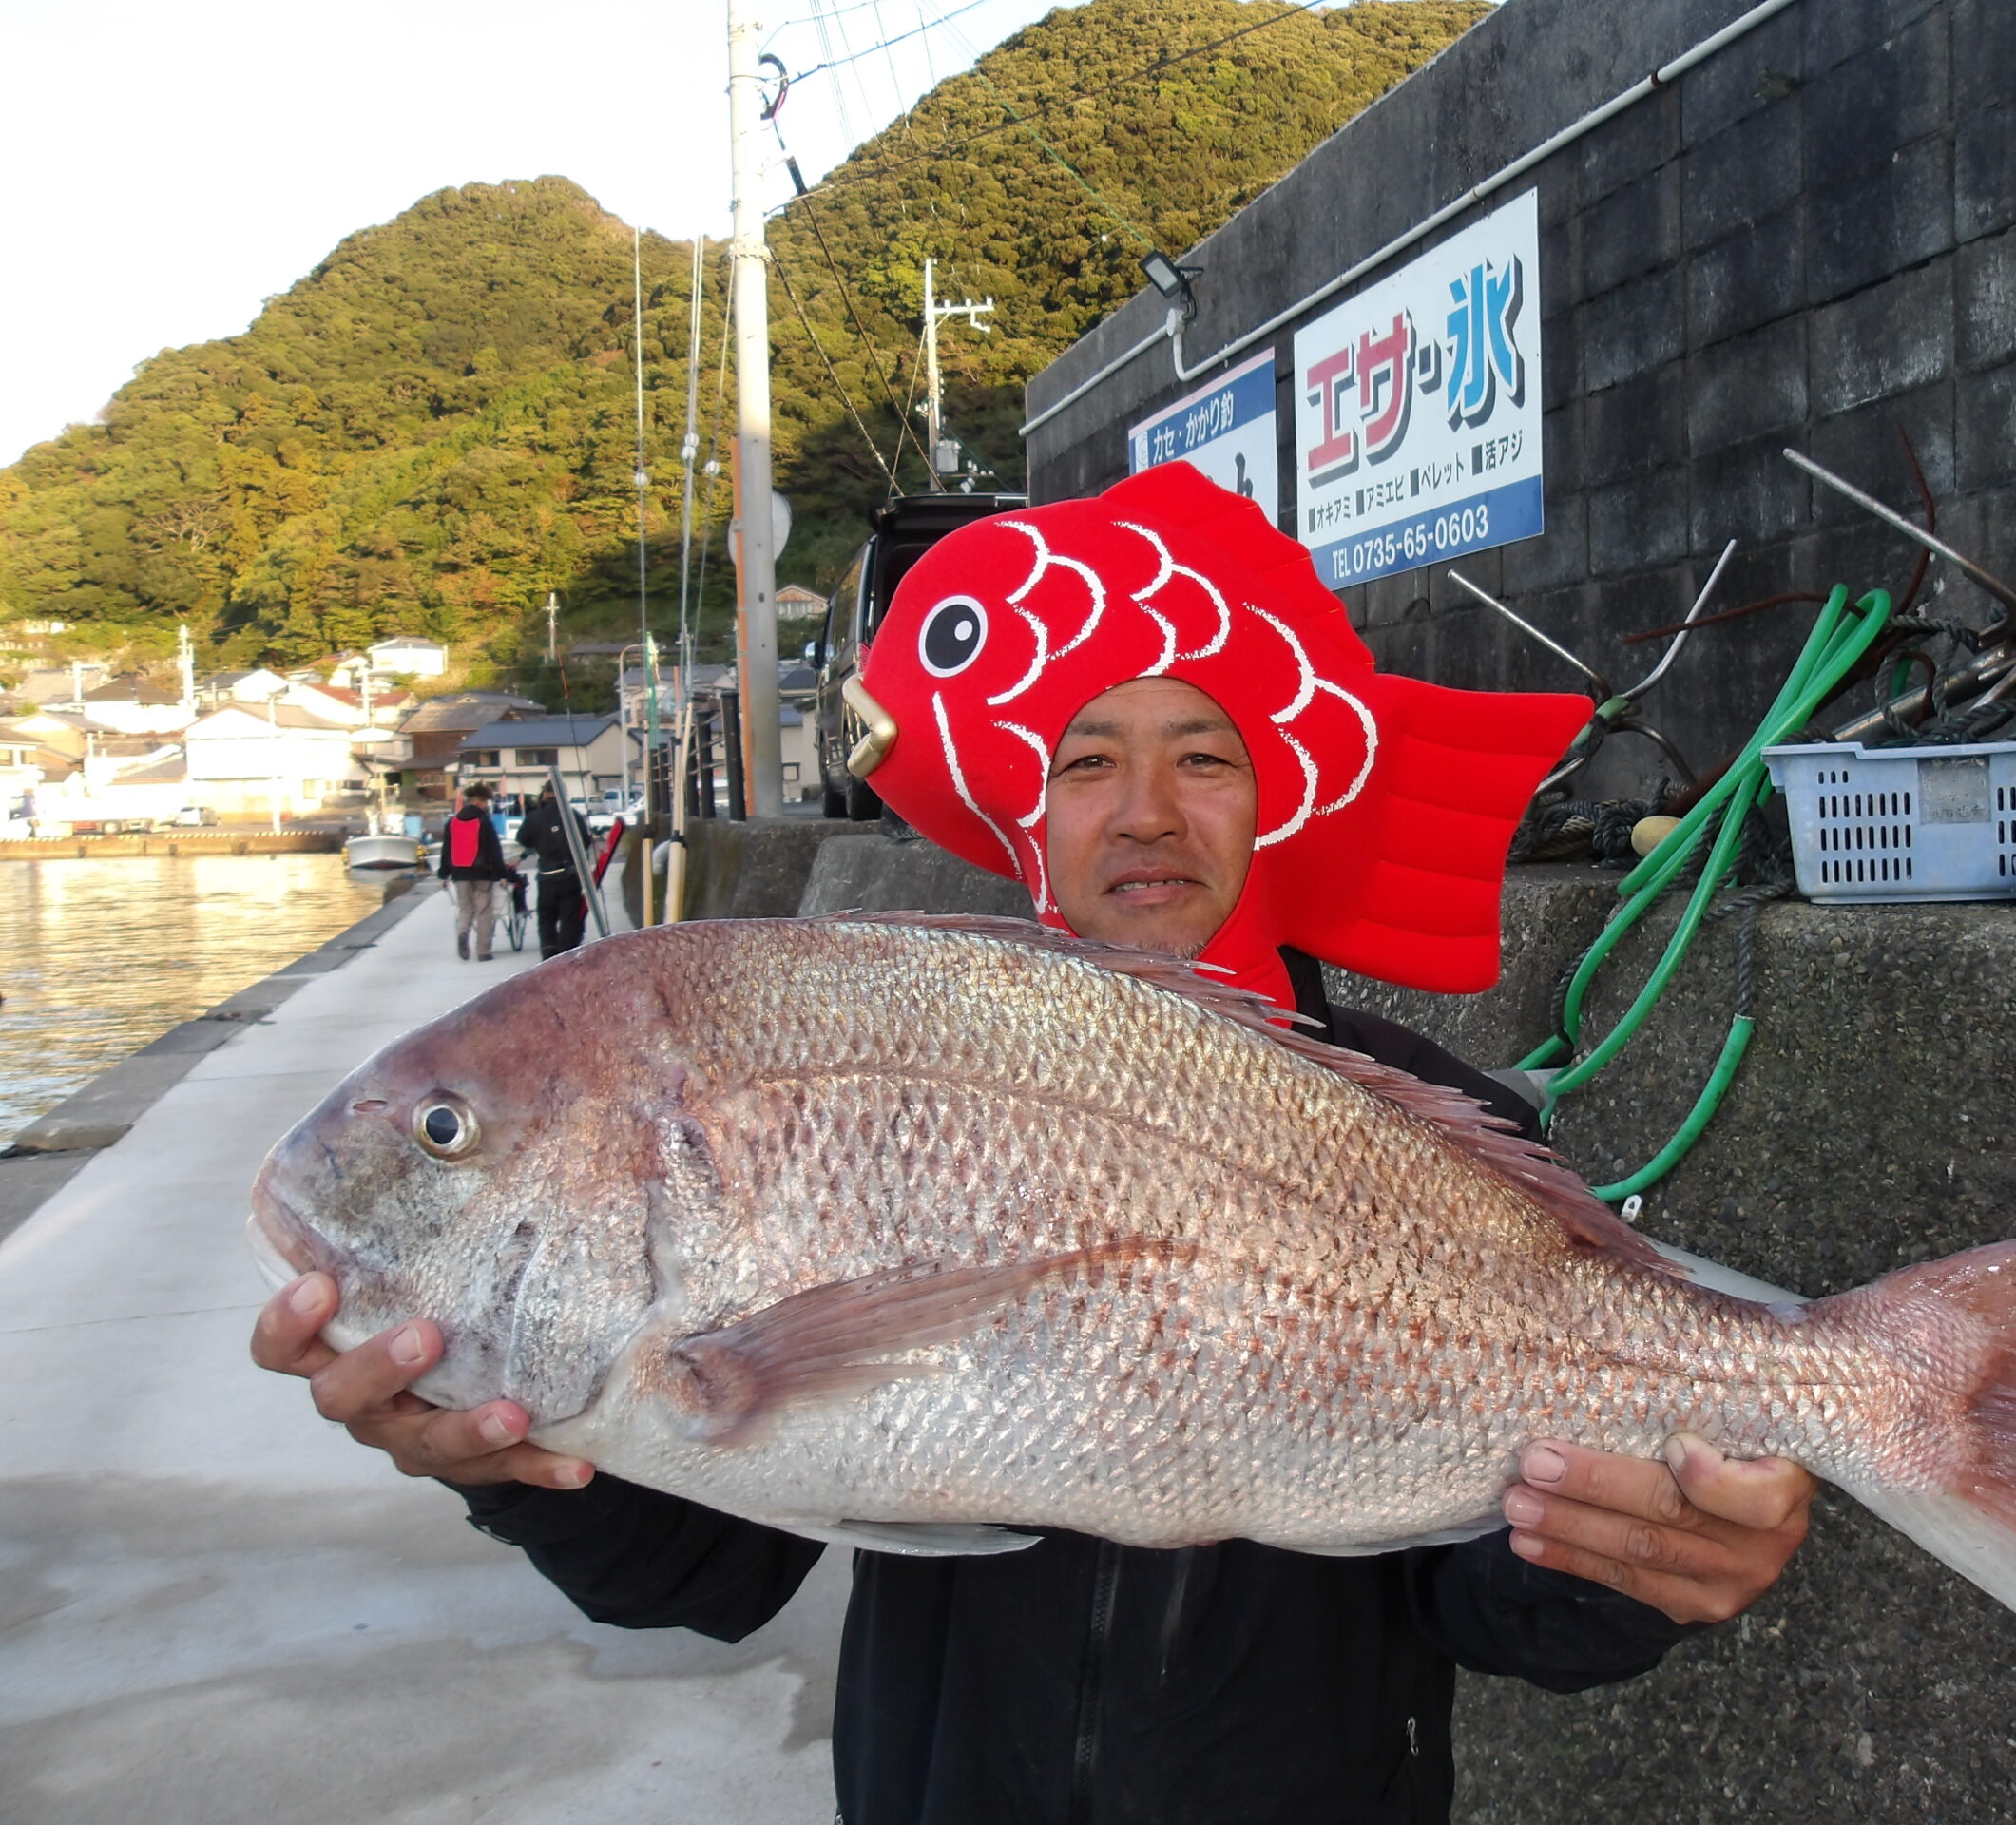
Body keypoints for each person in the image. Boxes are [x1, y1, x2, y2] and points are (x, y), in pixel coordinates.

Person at [254, 469, 1814, 1822]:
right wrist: (514, 1460)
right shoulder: (906, 1051)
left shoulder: (1429, 1122)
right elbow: (703, 1581)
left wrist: (1641, 1564)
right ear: (1028, 816)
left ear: (1268, 793)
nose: (1146, 810)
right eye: (1087, 759)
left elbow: (1494, 1602)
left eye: (1202, 755)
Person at [512, 779, 588, 958]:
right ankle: (567, 954)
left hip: (546, 875)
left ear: (545, 794)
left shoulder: (535, 817)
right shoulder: (573, 816)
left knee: (546, 916)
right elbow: (584, 842)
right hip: (570, 875)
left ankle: (548, 953)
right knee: (569, 916)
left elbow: (522, 838)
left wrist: (539, 844)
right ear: (564, 794)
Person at [434, 782, 509, 962]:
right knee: (484, 911)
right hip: (482, 873)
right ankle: (483, 951)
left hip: (460, 873)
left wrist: (443, 874)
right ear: (481, 801)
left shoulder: (452, 822)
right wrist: (502, 874)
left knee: (465, 909)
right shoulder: (484, 822)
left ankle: (462, 933)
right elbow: (494, 850)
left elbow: (447, 850)